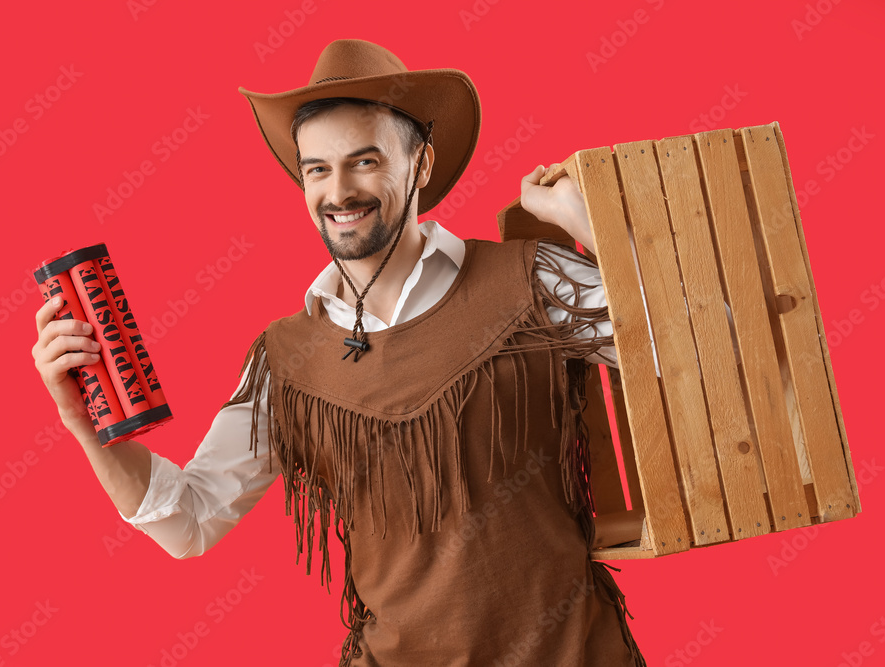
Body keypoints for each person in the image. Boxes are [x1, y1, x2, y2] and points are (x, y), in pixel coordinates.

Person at [32, 39, 647, 666]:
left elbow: (687, 347)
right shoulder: (287, 359)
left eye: (364, 161)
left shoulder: (530, 282)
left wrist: (590, 224)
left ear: (421, 164)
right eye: (317, 169)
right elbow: (190, 522)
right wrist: (83, 423)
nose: (339, 191)